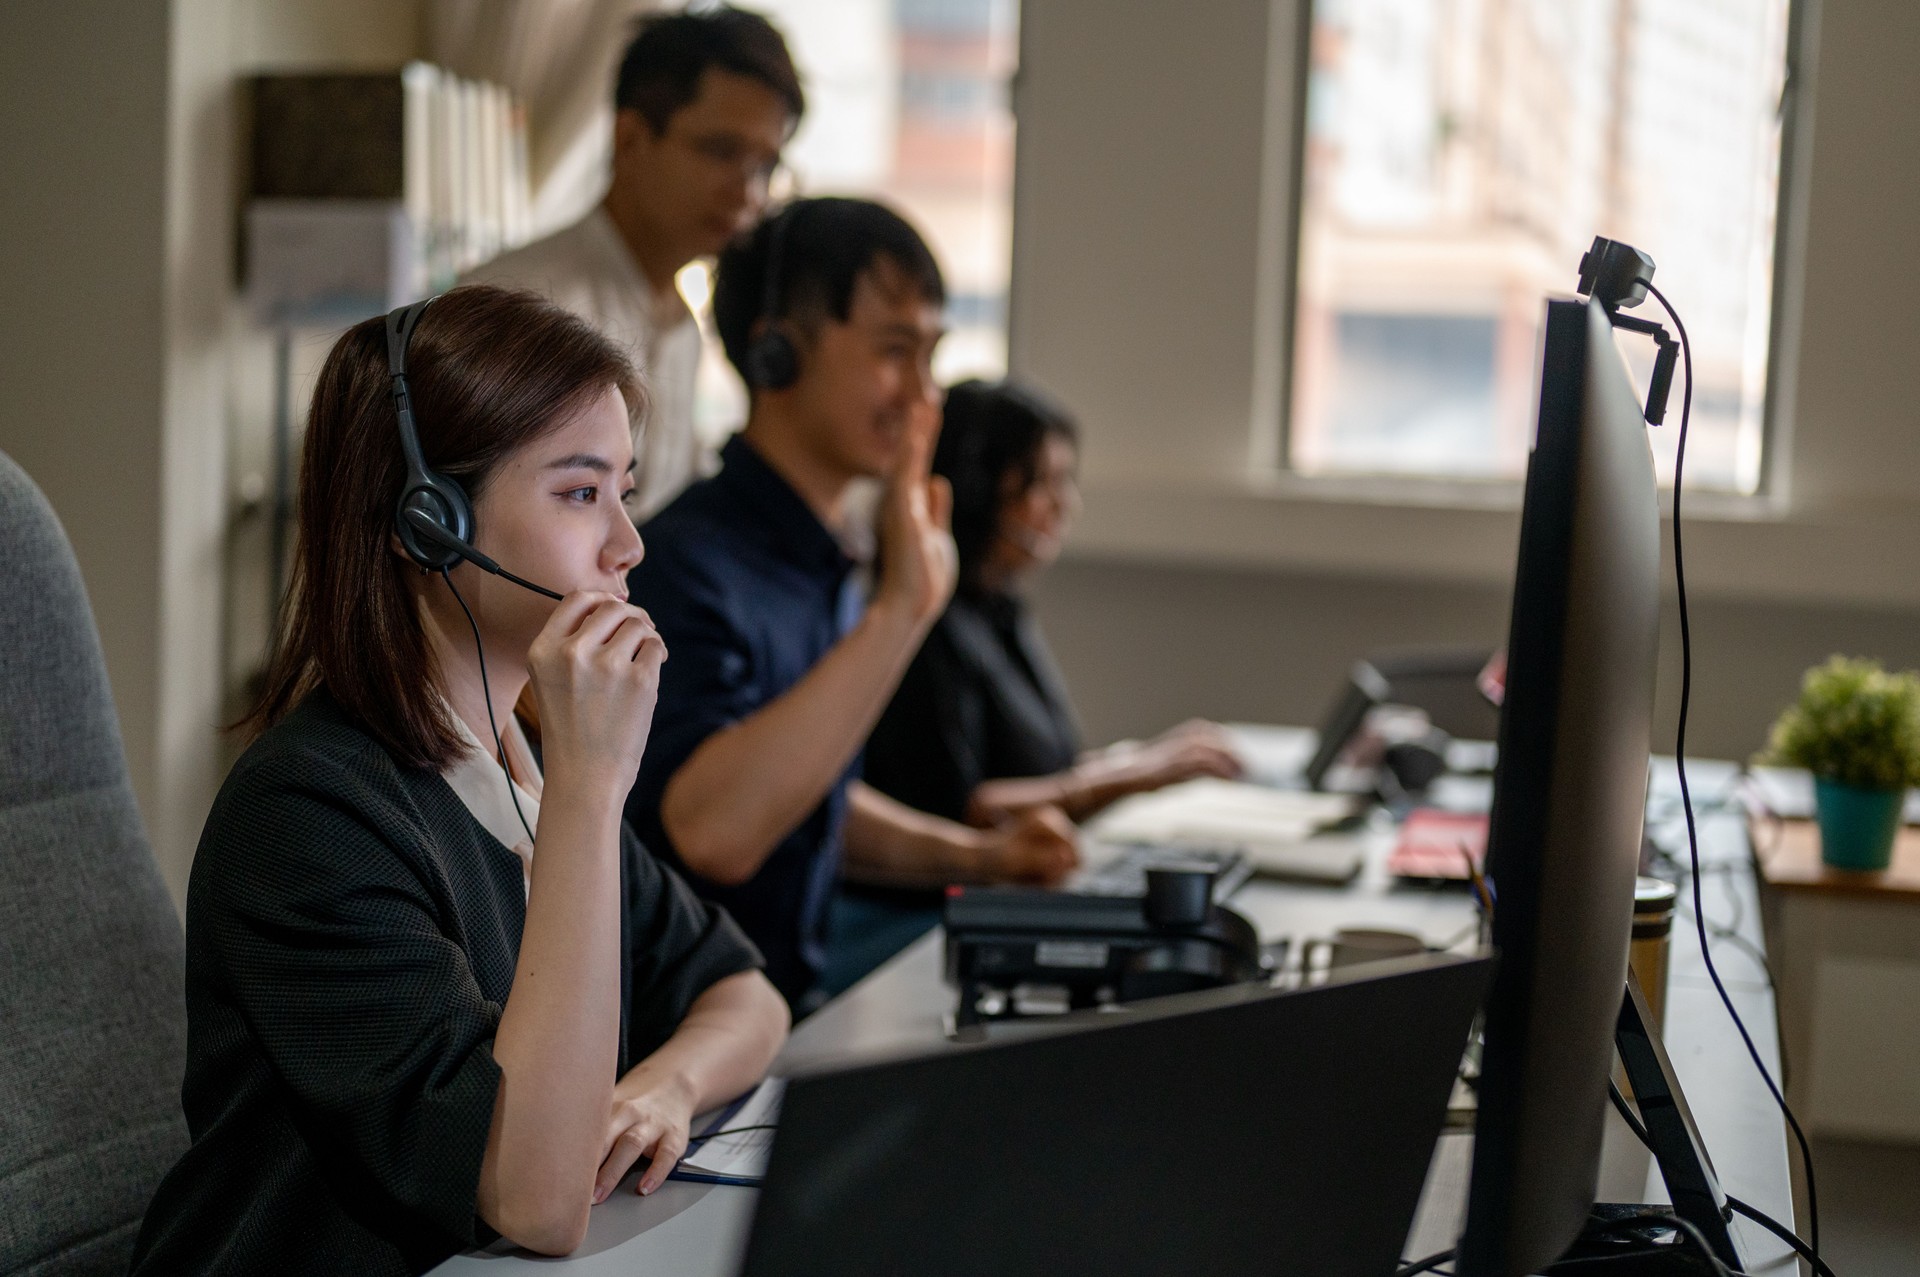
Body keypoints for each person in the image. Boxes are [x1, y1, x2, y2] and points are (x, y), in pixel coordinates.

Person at [129, 287, 788, 1275]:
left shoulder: (516, 764)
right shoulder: (312, 815)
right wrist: (589, 791)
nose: (628, 545)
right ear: (428, 523)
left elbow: (744, 994)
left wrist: (665, 1088)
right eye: (579, 492)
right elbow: (533, 1196)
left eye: (626, 490)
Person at [624, 199, 1080, 1012]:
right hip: (682, 1049)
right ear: (776, 352)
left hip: (796, 1006)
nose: (922, 395)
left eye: (931, 357)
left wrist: (985, 858)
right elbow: (716, 829)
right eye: (894, 352)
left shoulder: (824, 556)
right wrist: (900, 611)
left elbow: (811, 793)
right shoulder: (681, 563)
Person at [463, 6, 802, 519]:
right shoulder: (519, 305)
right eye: (721, 150)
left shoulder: (682, 324)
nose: (749, 192)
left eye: (766, 166)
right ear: (631, 139)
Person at [866, 378, 1243, 829]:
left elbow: (1047, 767)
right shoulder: (928, 627)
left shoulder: (999, 610)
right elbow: (967, 809)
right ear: (979, 492)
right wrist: (1143, 773)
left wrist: (1153, 759)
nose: (1066, 506)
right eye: (1044, 484)